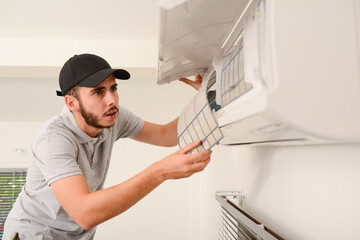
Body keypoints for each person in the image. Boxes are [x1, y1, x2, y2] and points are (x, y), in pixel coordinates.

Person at [3, 53, 212, 240]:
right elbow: (85, 213)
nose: (112, 100)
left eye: (113, 88)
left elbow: (167, 135)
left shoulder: (113, 117)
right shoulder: (53, 139)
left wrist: (206, 97)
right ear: (71, 103)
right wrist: (161, 171)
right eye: (98, 92)